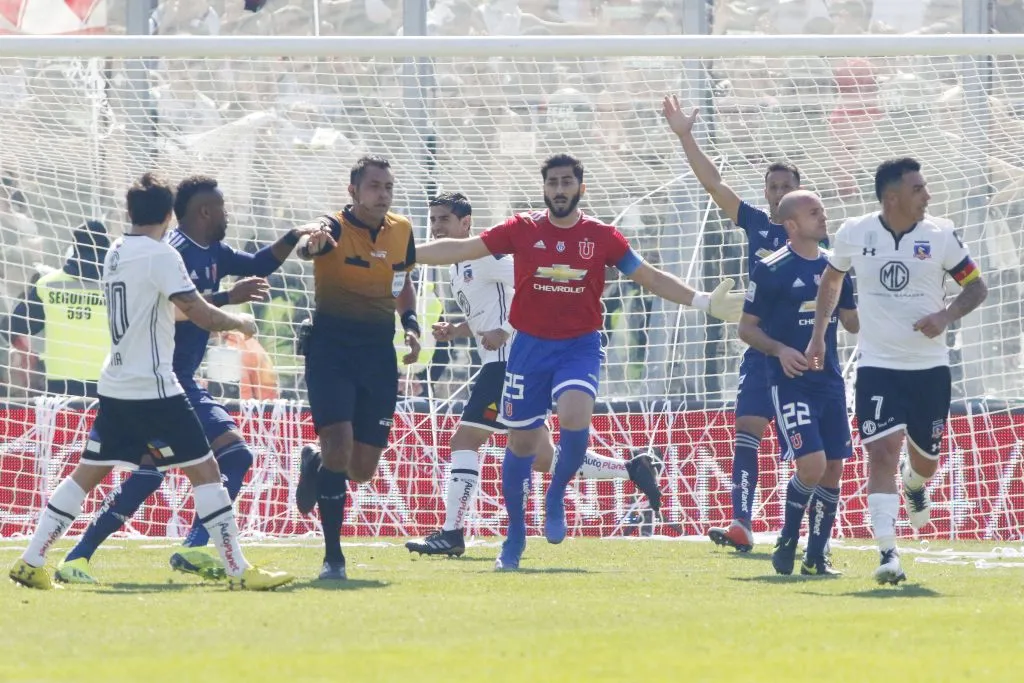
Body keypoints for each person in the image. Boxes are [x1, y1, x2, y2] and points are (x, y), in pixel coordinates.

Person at [415, 153, 744, 571]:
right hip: (528, 349)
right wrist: (402, 251)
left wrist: (702, 301)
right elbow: (462, 247)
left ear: (580, 188)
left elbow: (648, 275)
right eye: (552, 183)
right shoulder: (521, 228)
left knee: (573, 416)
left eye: (566, 182)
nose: (559, 190)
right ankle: (513, 540)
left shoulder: (602, 236)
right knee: (522, 447)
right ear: (545, 189)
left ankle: (554, 497)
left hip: (578, 346)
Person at [8, 172, 292, 591]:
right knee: (209, 471)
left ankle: (32, 560)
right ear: (168, 215)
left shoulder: (117, 250)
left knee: (87, 473)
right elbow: (199, 312)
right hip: (156, 388)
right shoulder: (162, 256)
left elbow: (170, 311)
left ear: (129, 212)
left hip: (116, 383)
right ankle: (239, 569)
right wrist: (242, 322)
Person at [404, 192, 662, 558]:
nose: (436, 227)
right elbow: (487, 316)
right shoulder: (457, 266)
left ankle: (451, 533)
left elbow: (537, 286)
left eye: (444, 220)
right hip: (500, 360)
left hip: (510, 362)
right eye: (432, 220)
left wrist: (508, 330)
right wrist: (458, 330)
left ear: (465, 223)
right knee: (543, 457)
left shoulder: (489, 256)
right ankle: (632, 469)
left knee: (464, 442)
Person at [808, 158, 988, 584]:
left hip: (929, 370)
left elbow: (977, 286)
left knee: (924, 462)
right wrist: (819, 336)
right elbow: (831, 282)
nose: (928, 196)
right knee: (882, 452)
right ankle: (889, 554)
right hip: (878, 367)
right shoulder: (856, 232)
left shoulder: (941, 235)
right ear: (893, 198)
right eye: (918, 189)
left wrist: (945, 316)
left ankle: (914, 484)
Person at [662, 94, 805, 552]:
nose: (779, 192)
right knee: (747, 427)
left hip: (805, 354)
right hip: (761, 347)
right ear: (766, 193)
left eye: (787, 186)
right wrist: (686, 136)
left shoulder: (819, 237)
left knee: (811, 452)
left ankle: (804, 529)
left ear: (802, 194)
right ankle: (741, 522)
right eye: (773, 186)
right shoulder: (758, 225)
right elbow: (713, 184)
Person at [292, 155, 422, 581]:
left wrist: (411, 325)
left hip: (377, 357)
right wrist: (310, 242)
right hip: (331, 352)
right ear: (353, 191)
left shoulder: (402, 230)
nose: (382, 194)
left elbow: (403, 284)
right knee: (339, 446)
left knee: (361, 471)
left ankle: (314, 463)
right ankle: (333, 557)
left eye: (388, 186)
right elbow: (311, 243)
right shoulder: (331, 227)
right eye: (374, 186)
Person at [739, 191, 859, 576]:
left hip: (830, 382)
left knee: (834, 469)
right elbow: (747, 329)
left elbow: (854, 323)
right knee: (811, 465)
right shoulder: (771, 269)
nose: (823, 217)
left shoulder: (836, 268)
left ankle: (816, 556)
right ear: (791, 225)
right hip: (790, 382)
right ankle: (788, 539)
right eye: (813, 213)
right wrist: (779, 350)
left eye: (823, 210)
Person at [5, 220, 110, 398]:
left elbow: (14, 326)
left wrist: (29, 355)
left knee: (65, 427)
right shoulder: (120, 285)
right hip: (108, 382)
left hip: (60, 384)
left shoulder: (48, 284)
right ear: (107, 248)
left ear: (74, 247)